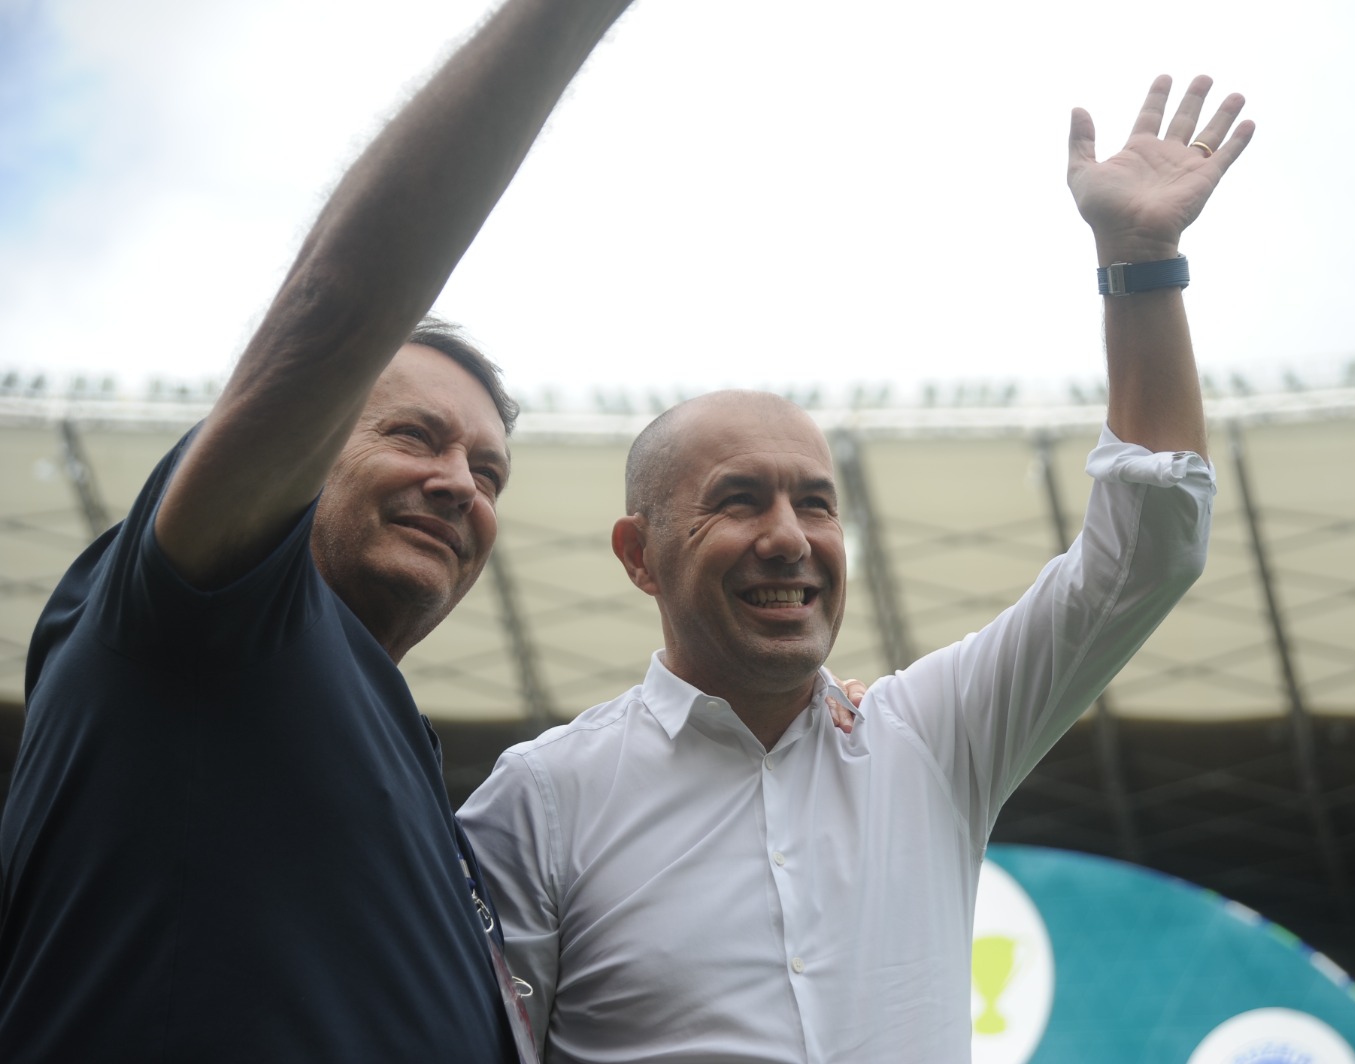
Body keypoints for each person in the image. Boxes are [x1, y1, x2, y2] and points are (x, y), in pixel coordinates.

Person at [458, 74, 1254, 1063]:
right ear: (639, 556)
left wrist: (1140, 264)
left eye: (817, 502)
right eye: (739, 499)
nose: (790, 535)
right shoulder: (538, 800)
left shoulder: (930, 738)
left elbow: (1147, 545)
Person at [0, 2, 635, 1061]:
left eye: (488, 471)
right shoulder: (208, 611)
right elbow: (333, 311)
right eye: (413, 435)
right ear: (307, 451)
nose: (457, 485)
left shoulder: (399, 758)